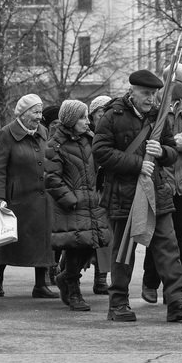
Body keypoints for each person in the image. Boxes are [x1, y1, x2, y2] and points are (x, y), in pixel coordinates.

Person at [92, 69, 182, 323]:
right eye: (145, 93)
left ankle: (176, 300)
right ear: (132, 91)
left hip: (156, 190)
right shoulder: (112, 116)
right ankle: (118, 303)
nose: (150, 99)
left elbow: (173, 152)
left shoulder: (159, 116)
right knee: (124, 250)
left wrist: (162, 151)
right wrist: (137, 163)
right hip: (123, 193)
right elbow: (100, 152)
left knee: (168, 246)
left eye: (154, 94)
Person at [141, 64, 182, 304]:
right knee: (156, 234)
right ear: (171, 82)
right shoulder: (155, 107)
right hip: (161, 180)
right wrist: (170, 146)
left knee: (180, 236)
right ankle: (150, 283)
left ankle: (176, 291)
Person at [46, 100, 112, 312]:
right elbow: (52, 178)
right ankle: (73, 289)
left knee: (92, 244)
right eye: (83, 117)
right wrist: (70, 200)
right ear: (72, 120)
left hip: (93, 202)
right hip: (72, 206)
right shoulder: (55, 144)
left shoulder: (90, 140)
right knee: (76, 246)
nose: (87, 121)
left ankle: (65, 277)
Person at [0, 94, 56, 298]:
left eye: (40, 111)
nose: (39, 116)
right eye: (35, 112)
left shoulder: (44, 132)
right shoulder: (6, 133)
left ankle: (40, 285)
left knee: (43, 243)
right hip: (17, 198)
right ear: (23, 113)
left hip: (42, 198)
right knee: (7, 242)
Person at [87, 94, 113, 295]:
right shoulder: (85, 135)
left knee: (107, 236)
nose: (103, 116)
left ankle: (101, 278)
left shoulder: (115, 134)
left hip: (108, 191)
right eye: (99, 112)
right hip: (90, 192)